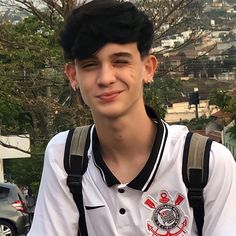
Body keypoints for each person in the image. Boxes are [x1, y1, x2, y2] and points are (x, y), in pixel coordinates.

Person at [27, 1, 236, 235]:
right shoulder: (65, 157)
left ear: (148, 68)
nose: (105, 78)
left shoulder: (205, 163)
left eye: (120, 61)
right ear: (73, 76)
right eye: (90, 65)